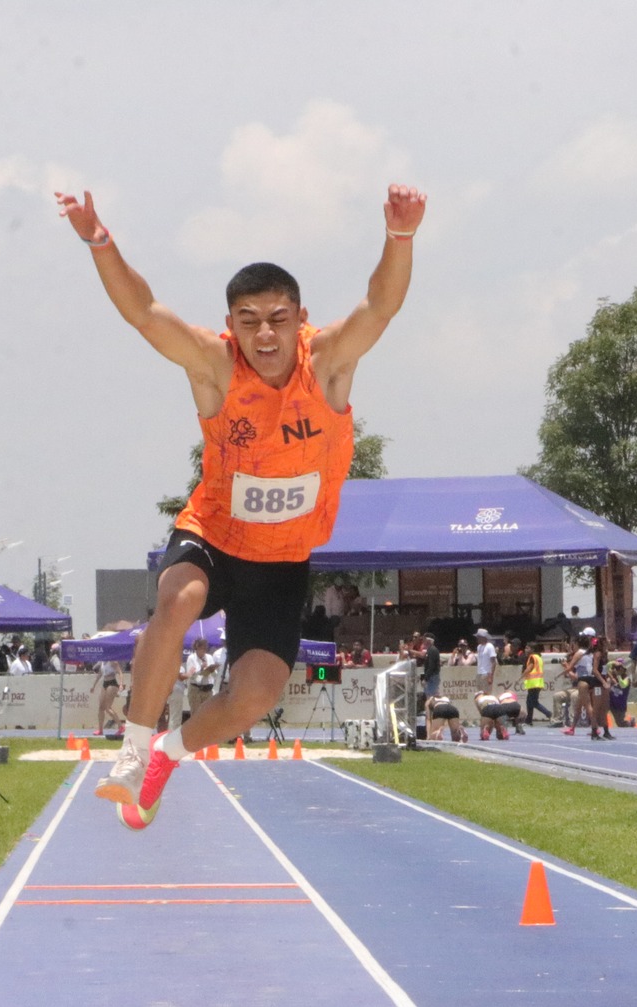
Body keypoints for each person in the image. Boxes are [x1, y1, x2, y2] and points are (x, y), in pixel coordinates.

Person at [57, 181, 426, 827]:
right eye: (249, 320)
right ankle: (134, 748)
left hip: (282, 559)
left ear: (299, 319)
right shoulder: (215, 366)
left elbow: (381, 305)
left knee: (254, 696)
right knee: (179, 600)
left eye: (278, 319)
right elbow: (143, 312)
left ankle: (170, 753)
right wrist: (98, 239)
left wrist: (400, 236)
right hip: (215, 536)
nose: (264, 334)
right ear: (231, 325)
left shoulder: (329, 364)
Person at [181, 637, 221, 721]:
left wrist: (211, 669)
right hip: (196, 689)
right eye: (201, 648)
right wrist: (201, 669)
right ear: (197, 648)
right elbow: (192, 676)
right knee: (196, 715)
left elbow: (214, 675)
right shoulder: (191, 658)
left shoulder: (209, 657)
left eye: (205, 648)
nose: (203, 651)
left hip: (208, 689)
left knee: (207, 714)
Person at [93, 657, 125, 736]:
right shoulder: (102, 662)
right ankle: (100, 730)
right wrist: (93, 686)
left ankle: (121, 726)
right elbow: (100, 674)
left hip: (112, 683)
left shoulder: (112, 661)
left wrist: (120, 684)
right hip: (105, 683)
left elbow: (120, 673)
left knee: (108, 708)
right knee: (101, 707)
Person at [520, 645, 550, 725]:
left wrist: (521, 677)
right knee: (529, 702)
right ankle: (529, 720)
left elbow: (529, 668)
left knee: (534, 703)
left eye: (527, 648)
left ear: (532, 649)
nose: (525, 650)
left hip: (534, 683)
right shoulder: (538, 657)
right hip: (537, 683)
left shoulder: (532, 657)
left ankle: (549, 714)